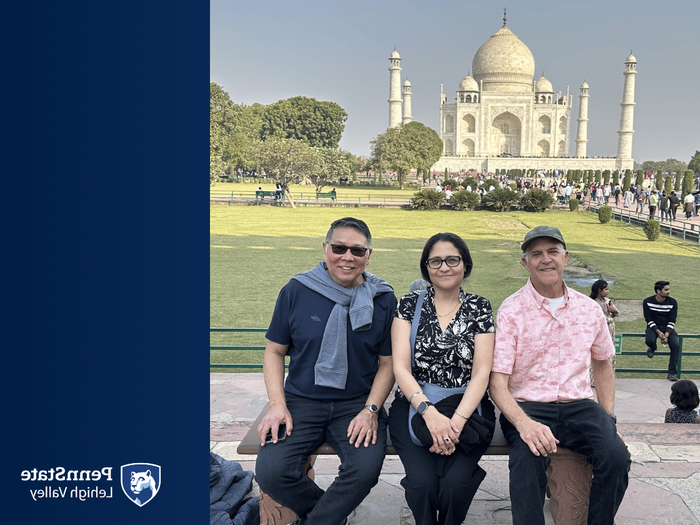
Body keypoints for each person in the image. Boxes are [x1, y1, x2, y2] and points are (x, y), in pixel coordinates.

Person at [255, 217, 397, 525]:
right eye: (339, 248)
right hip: (301, 399)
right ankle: (329, 516)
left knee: (364, 470)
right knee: (270, 472)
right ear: (325, 249)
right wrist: (277, 406)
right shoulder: (296, 290)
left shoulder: (383, 299)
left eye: (357, 251)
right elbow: (274, 351)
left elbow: (388, 364)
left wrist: (371, 410)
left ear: (368, 256)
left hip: (357, 404)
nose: (348, 257)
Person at [489, 225, 630, 525]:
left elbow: (603, 364)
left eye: (552, 251)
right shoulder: (511, 310)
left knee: (616, 456)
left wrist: (608, 419)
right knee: (526, 461)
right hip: (529, 406)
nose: (545, 259)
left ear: (565, 257)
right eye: (536, 253)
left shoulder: (589, 310)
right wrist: (525, 425)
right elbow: (498, 383)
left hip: (579, 405)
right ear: (525, 263)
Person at [389, 233, 495, 525]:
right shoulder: (410, 303)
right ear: (427, 267)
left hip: (469, 408)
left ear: (465, 265)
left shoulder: (479, 307)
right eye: (435, 261)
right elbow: (400, 367)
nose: (444, 267)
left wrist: (455, 424)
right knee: (422, 485)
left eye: (452, 260)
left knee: (453, 486)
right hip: (415, 402)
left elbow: (482, 372)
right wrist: (430, 414)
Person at [643, 280, 680, 382]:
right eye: (666, 290)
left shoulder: (673, 302)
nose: (668, 292)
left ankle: (672, 372)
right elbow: (648, 319)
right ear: (658, 291)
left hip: (667, 327)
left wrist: (666, 334)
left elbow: (672, 320)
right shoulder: (647, 301)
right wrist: (658, 332)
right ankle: (652, 347)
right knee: (650, 340)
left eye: (668, 289)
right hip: (653, 326)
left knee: (675, 345)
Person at [590, 279, 619, 375]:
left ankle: (608, 375)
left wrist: (612, 310)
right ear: (599, 290)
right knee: (597, 351)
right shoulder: (593, 303)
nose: (607, 291)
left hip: (610, 328)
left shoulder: (608, 301)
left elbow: (616, 313)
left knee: (609, 350)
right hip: (598, 330)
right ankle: (594, 378)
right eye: (606, 289)